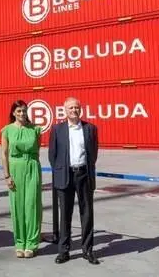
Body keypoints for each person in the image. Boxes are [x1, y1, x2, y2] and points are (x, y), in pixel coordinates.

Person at [48, 96, 100, 265]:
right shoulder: (57, 129)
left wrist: (87, 170)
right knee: (65, 215)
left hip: (84, 175)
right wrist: (60, 172)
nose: (74, 110)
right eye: (70, 108)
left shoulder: (90, 128)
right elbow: (52, 155)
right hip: (65, 176)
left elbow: (93, 153)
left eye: (76, 107)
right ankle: (64, 251)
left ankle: (88, 250)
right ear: (65, 110)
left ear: (80, 109)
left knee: (87, 214)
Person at [1, 100, 42, 258]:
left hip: (31, 166)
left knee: (32, 205)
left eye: (24, 111)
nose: (22, 114)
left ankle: (32, 243)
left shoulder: (35, 130)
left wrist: (31, 163)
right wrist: (7, 175)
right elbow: (4, 154)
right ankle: (19, 242)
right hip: (15, 167)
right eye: (18, 111)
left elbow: (36, 150)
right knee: (17, 206)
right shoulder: (7, 130)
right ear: (13, 113)